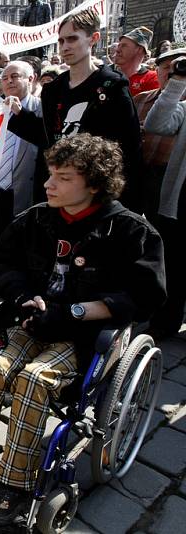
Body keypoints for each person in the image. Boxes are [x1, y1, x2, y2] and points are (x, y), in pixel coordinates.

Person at [0, 133, 166, 526]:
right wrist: (21, 296)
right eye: (51, 174)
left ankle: (14, 484)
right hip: (32, 319)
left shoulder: (129, 231)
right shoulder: (36, 218)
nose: (49, 184)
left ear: (94, 184)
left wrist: (72, 312)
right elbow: (4, 261)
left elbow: (143, 296)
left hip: (84, 334)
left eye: (63, 177)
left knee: (35, 379)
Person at [6, 9, 143, 212]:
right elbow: (49, 138)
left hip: (96, 193)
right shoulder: (53, 90)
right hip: (59, 191)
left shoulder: (111, 87)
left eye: (72, 39)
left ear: (93, 38)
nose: (65, 47)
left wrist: (124, 205)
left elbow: (129, 148)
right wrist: (19, 116)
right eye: (61, 41)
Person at [0, 61, 43, 259]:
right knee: (0, 242)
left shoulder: (41, 109)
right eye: (5, 78)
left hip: (26, 189)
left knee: (25, 244)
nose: (9, 81)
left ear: (31, 79)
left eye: (15, 76)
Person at [143, 54, 186, 339]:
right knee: (174, 262)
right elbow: (156, 124)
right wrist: (177, 81)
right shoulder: (184, 108)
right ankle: (166, 321)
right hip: (179, 201)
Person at [133, 47, 186, 221]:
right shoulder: (140, 99)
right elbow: (155, 124)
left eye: (177, 66)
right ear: (156, 71)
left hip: (166, 177)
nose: (170, 72)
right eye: (166, 67)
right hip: (138, 174)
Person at [114, 26, 159, 96]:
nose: (117, 50)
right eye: (118, 45)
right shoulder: (106, 73)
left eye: (124, 46)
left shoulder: (151, 78)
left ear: (139, 49)